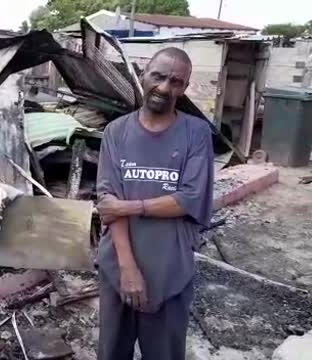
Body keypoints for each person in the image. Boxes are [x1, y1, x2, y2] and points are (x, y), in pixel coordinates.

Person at [95, 47, 214, 360]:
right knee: (112, 353)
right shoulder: (116, 132)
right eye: (158, 76)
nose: (164, 87)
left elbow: (189, 198)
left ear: (184, 88)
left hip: (170, 270)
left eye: (175, 81)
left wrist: (130, 206)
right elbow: (109, 205)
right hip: (118, 267)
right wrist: (128, 268)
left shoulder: (197, 133)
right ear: (143, 75)